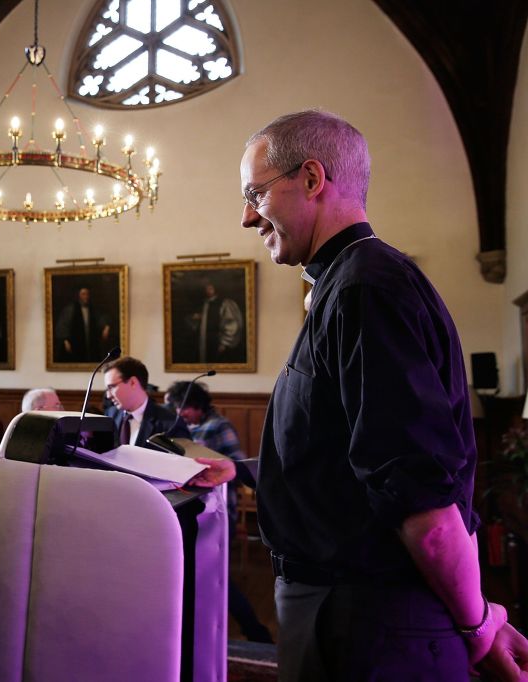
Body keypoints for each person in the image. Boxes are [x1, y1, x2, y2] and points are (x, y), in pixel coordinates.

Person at [194, 109, 528, 681]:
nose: (247, 215)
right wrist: (241, 467)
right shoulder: (349, 281)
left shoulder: (365, 288)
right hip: (354, 614)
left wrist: (478, 626)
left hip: (369, 624)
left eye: (255, 193)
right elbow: (345, 450)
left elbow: (418, 492)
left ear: (312, 179)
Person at [166, 381, 273, 644]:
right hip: (189, 505)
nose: (180, 413)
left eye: (184, 408)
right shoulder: (178, 427)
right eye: (176, 408)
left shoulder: (219, 426)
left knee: (213, 575)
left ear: (198, 406)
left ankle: (252, 632)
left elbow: (238, 464)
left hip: (219, 507)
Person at [102, 356, 175, 451]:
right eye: (107, 389)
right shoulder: (110, 415)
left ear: (133, 382)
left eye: (111, 387)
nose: (108, 395)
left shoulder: (170, 423)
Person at [186, 277, 244, 364]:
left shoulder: (225, 303)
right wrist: (195, 318)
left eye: (210, 288)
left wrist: (224, 343)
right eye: (206, 288)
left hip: (217, 342)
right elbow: (193, 323)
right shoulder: (203, 303)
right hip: (202, 342)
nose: (207, 291)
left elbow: (232, 324)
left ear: (215, 288)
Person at [54, 286, 112, 363]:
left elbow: (102, 318)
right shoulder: (71, 309)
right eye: (83, 294)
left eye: (87, 294)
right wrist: (65, 340)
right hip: (75, 344)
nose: (86, 296)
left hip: (90, 344)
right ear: (79, 295)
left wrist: (106, 327)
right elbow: (62, 325)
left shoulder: (93, 309)